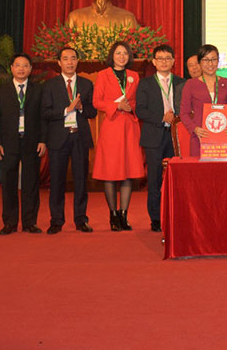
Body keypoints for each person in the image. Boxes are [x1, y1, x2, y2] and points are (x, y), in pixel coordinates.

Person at [42, 47, 97, 234]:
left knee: (81, 180)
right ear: (59, 62)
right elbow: (45, 112)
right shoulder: (50, 85)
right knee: (57, 181)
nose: (70, 62)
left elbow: (92, 112)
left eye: (73, 58)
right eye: (65, 59)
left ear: (77, 61)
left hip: (79, 138)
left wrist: (80, 108)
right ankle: (56, 220)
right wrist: (67, 110)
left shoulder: (86, 84)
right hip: (58, 138)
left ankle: (81, 219)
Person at [0, 53, 45, 235]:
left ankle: (30, 222)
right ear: (11, 68)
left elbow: (43, 118)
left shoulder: (38, 90)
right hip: (8, 143)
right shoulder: (1, 90)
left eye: (25, 65)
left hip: (32, 142)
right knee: (8, 184)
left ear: (30, 69)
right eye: (18, 65)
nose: (21, 69)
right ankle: (10, 222)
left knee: (31, 183)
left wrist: (43, 140)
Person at [92, 41, 144, 231]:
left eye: (125, 53)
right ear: (112, 56)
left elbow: (138, 101)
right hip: (112, 126)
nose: (122, 57)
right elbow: (97, 101)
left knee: (128, 171)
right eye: (118, 53)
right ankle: (113, 214)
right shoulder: (103, 75)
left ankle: (124, 214)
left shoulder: (134, 76)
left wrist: (131, 107)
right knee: (111, 171)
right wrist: (116, 106)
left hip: (130, 126)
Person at [137, 44, 185, 231]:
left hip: (176, 137)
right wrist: (161, 118)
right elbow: (140, 110)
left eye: (168, 58)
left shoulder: (181, 82)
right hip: (154, 136)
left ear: (173, 61)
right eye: (160, 59)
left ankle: (176, 215)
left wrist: (177, 117)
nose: (164, 62)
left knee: (177, 178)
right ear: (154, 62)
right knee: (155, 179)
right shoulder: (145, 84)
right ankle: (156, 219)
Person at [181, 44, 227, 157]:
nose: (210, 64)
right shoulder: (191, 84)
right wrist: (195, 129)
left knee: (222, 168)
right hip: (200, 137)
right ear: (199, 62)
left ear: (218, 61)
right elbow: (184, 113)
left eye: (213, 59)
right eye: (206, 60)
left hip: (223, 138)